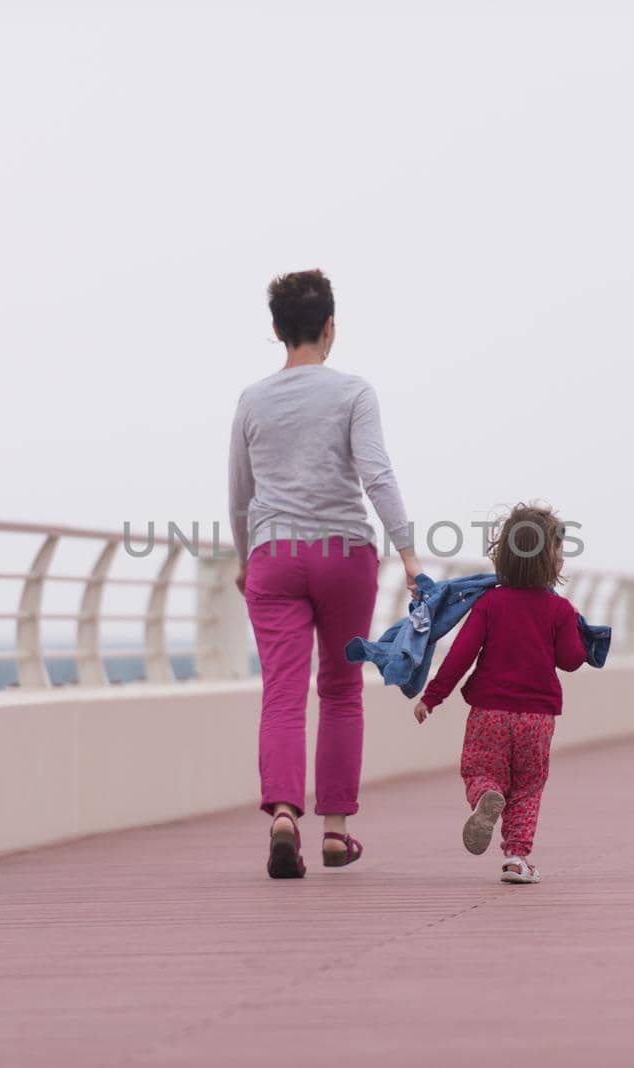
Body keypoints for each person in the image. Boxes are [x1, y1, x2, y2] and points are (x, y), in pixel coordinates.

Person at [228, 269, 421, 879]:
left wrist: (245, 555)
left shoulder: (253, 400)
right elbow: (377, 475)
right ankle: (336, 831)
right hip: (345, 557)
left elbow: (240, 493)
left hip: (274, 557)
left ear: (277, 330)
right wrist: (410, 553)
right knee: (340, 690)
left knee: (283, 691)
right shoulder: (353, 393)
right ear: (330, 327)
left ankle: (284, 815)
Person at [413, 503, 586, 884]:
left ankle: (486, 797)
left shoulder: (490, 603)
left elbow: (461, 656)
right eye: (559, 552)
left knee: (480, 771)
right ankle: (516, 858)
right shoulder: (560, 610)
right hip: (537, 719)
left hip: (489, 713)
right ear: (548, 561)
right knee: (527, 787)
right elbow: (571, 660)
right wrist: (580, 632)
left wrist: (433, 696)